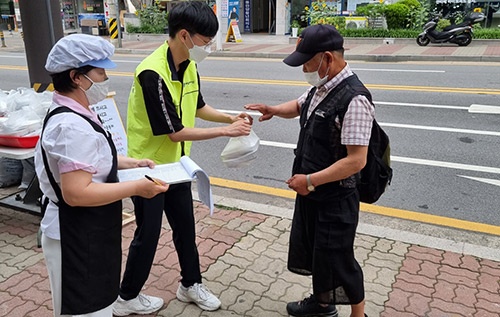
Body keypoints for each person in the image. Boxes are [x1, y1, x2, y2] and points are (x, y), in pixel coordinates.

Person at [112, 2, 253, 316]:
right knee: (147, 234)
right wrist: (225, 133)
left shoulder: (189, 64)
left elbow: (199, 106)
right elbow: (174, 132)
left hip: (177, 167)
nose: (208, 48)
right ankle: (127, 297)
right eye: (205, 41)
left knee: (186, 229)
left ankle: (190, 285)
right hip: (148, 168)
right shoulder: (152, 72)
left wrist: (232, 118)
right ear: (185, 35)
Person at [36, 34, 169, 317]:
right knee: (86, 309)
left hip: (88, 230)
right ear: (76, 76)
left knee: (100, 303)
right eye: (100, 71)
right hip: (74, 235)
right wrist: (136, 188)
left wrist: (130, 163)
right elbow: (77, 192)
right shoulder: (71, 126)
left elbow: (88, 161)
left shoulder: (75, 111)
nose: (106, 78)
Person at [245, 24, 371, 317]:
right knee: (318, 251)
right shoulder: (322, 87)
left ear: (327, 58)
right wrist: (273, 109)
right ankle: (322, 304)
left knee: (339, 259)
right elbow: (301, 106)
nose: (303, 67)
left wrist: (310, 180)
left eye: (307, 61)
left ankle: (358, 314)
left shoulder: (355, 100)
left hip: (335, 197)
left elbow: (356, 161)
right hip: (312, 191)